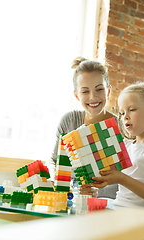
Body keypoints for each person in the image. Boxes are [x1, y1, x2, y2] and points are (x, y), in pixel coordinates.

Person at [92, 82, 144, 210]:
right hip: (119, 211)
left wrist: (122, 179)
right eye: (121, 113)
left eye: (131, 110)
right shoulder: (125, 145)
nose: (125, 117)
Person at [46, 56, 118, 198]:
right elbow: (54, 161)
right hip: (71, 200)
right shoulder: (68, 121)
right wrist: (57, 182)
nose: (93, 97)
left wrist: (99, 192)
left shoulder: (122, 127)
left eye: (99, 89)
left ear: (108, 91)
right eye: (85, 91)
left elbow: (126, 177)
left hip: (106, 207)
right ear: (77, 95)